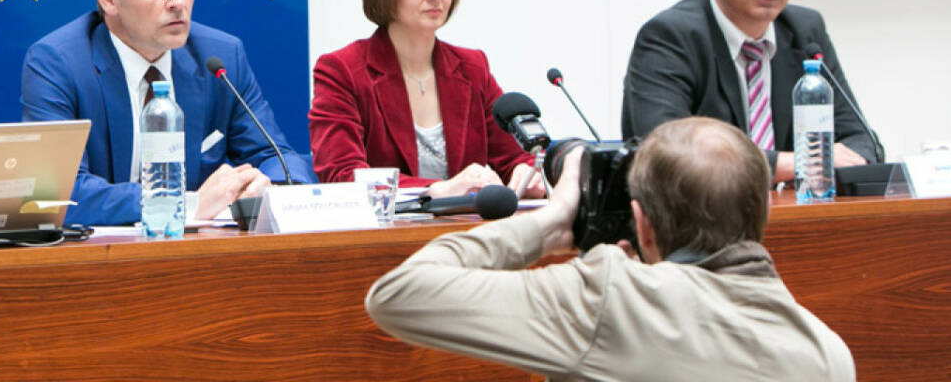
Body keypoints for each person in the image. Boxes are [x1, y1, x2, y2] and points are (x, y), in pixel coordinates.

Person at [366, 116, 856, 380]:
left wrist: (548, 225)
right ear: (762, 214)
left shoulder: (612, 296)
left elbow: (400, 295)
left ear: (642, 222)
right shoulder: (828, 351)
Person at [20, 0, 314, 225]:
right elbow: (57, 193)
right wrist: (186, 204)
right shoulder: (59, 63)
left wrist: (269, 187)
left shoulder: (221, 57)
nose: (177, 1)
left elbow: (278, 160)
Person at [622, 0, 875, 183]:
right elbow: (667, 153)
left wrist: (845, 157)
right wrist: (803, 162)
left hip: (793, 217)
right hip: (699, 221)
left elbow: (861, 139)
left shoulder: (805, 31)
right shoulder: (671, 36)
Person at [309, 0, 538, 199]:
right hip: (386, 237)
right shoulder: (342, 70)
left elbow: (514, 158)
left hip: (467, 233)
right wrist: (436, 190)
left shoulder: (472, 67)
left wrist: (526, 174)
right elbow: (342, 175)